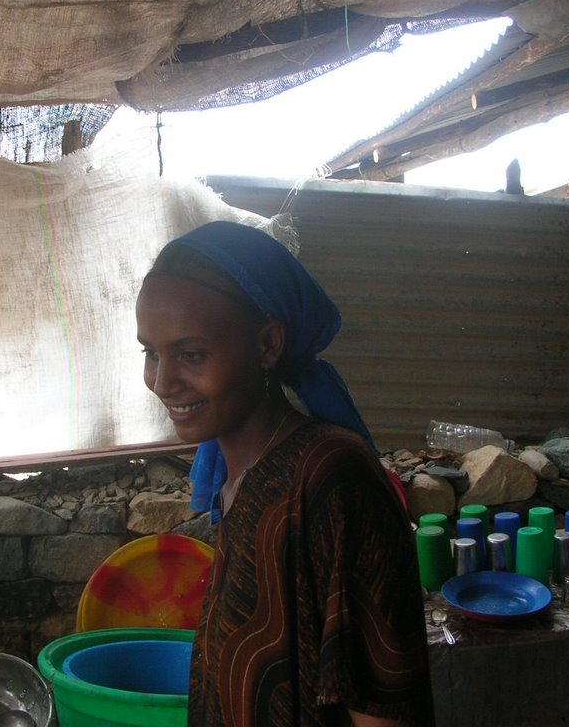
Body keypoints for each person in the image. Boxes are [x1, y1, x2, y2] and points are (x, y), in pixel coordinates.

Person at [135, 220, 434, 727]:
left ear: (268, 344)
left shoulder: (332, 480)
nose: (162, 382)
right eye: (150, 352)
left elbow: (383, 709)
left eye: (191, 354)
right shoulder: (236, 478)